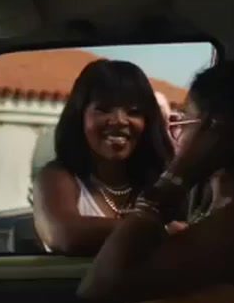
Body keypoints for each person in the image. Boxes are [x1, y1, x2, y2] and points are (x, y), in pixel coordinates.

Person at [79, 61, 234, 303]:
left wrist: (177, 174)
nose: (177, 132)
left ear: (213, 130)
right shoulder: (214, 202)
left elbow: (99, 285)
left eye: (185, 120)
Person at [32, 59, 173, 256]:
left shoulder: (159, 179)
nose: (120, 121)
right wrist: (160, 231)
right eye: (104, 109)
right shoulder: (57, 177)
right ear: (80, 115)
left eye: (134, 112)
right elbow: (64, 234)